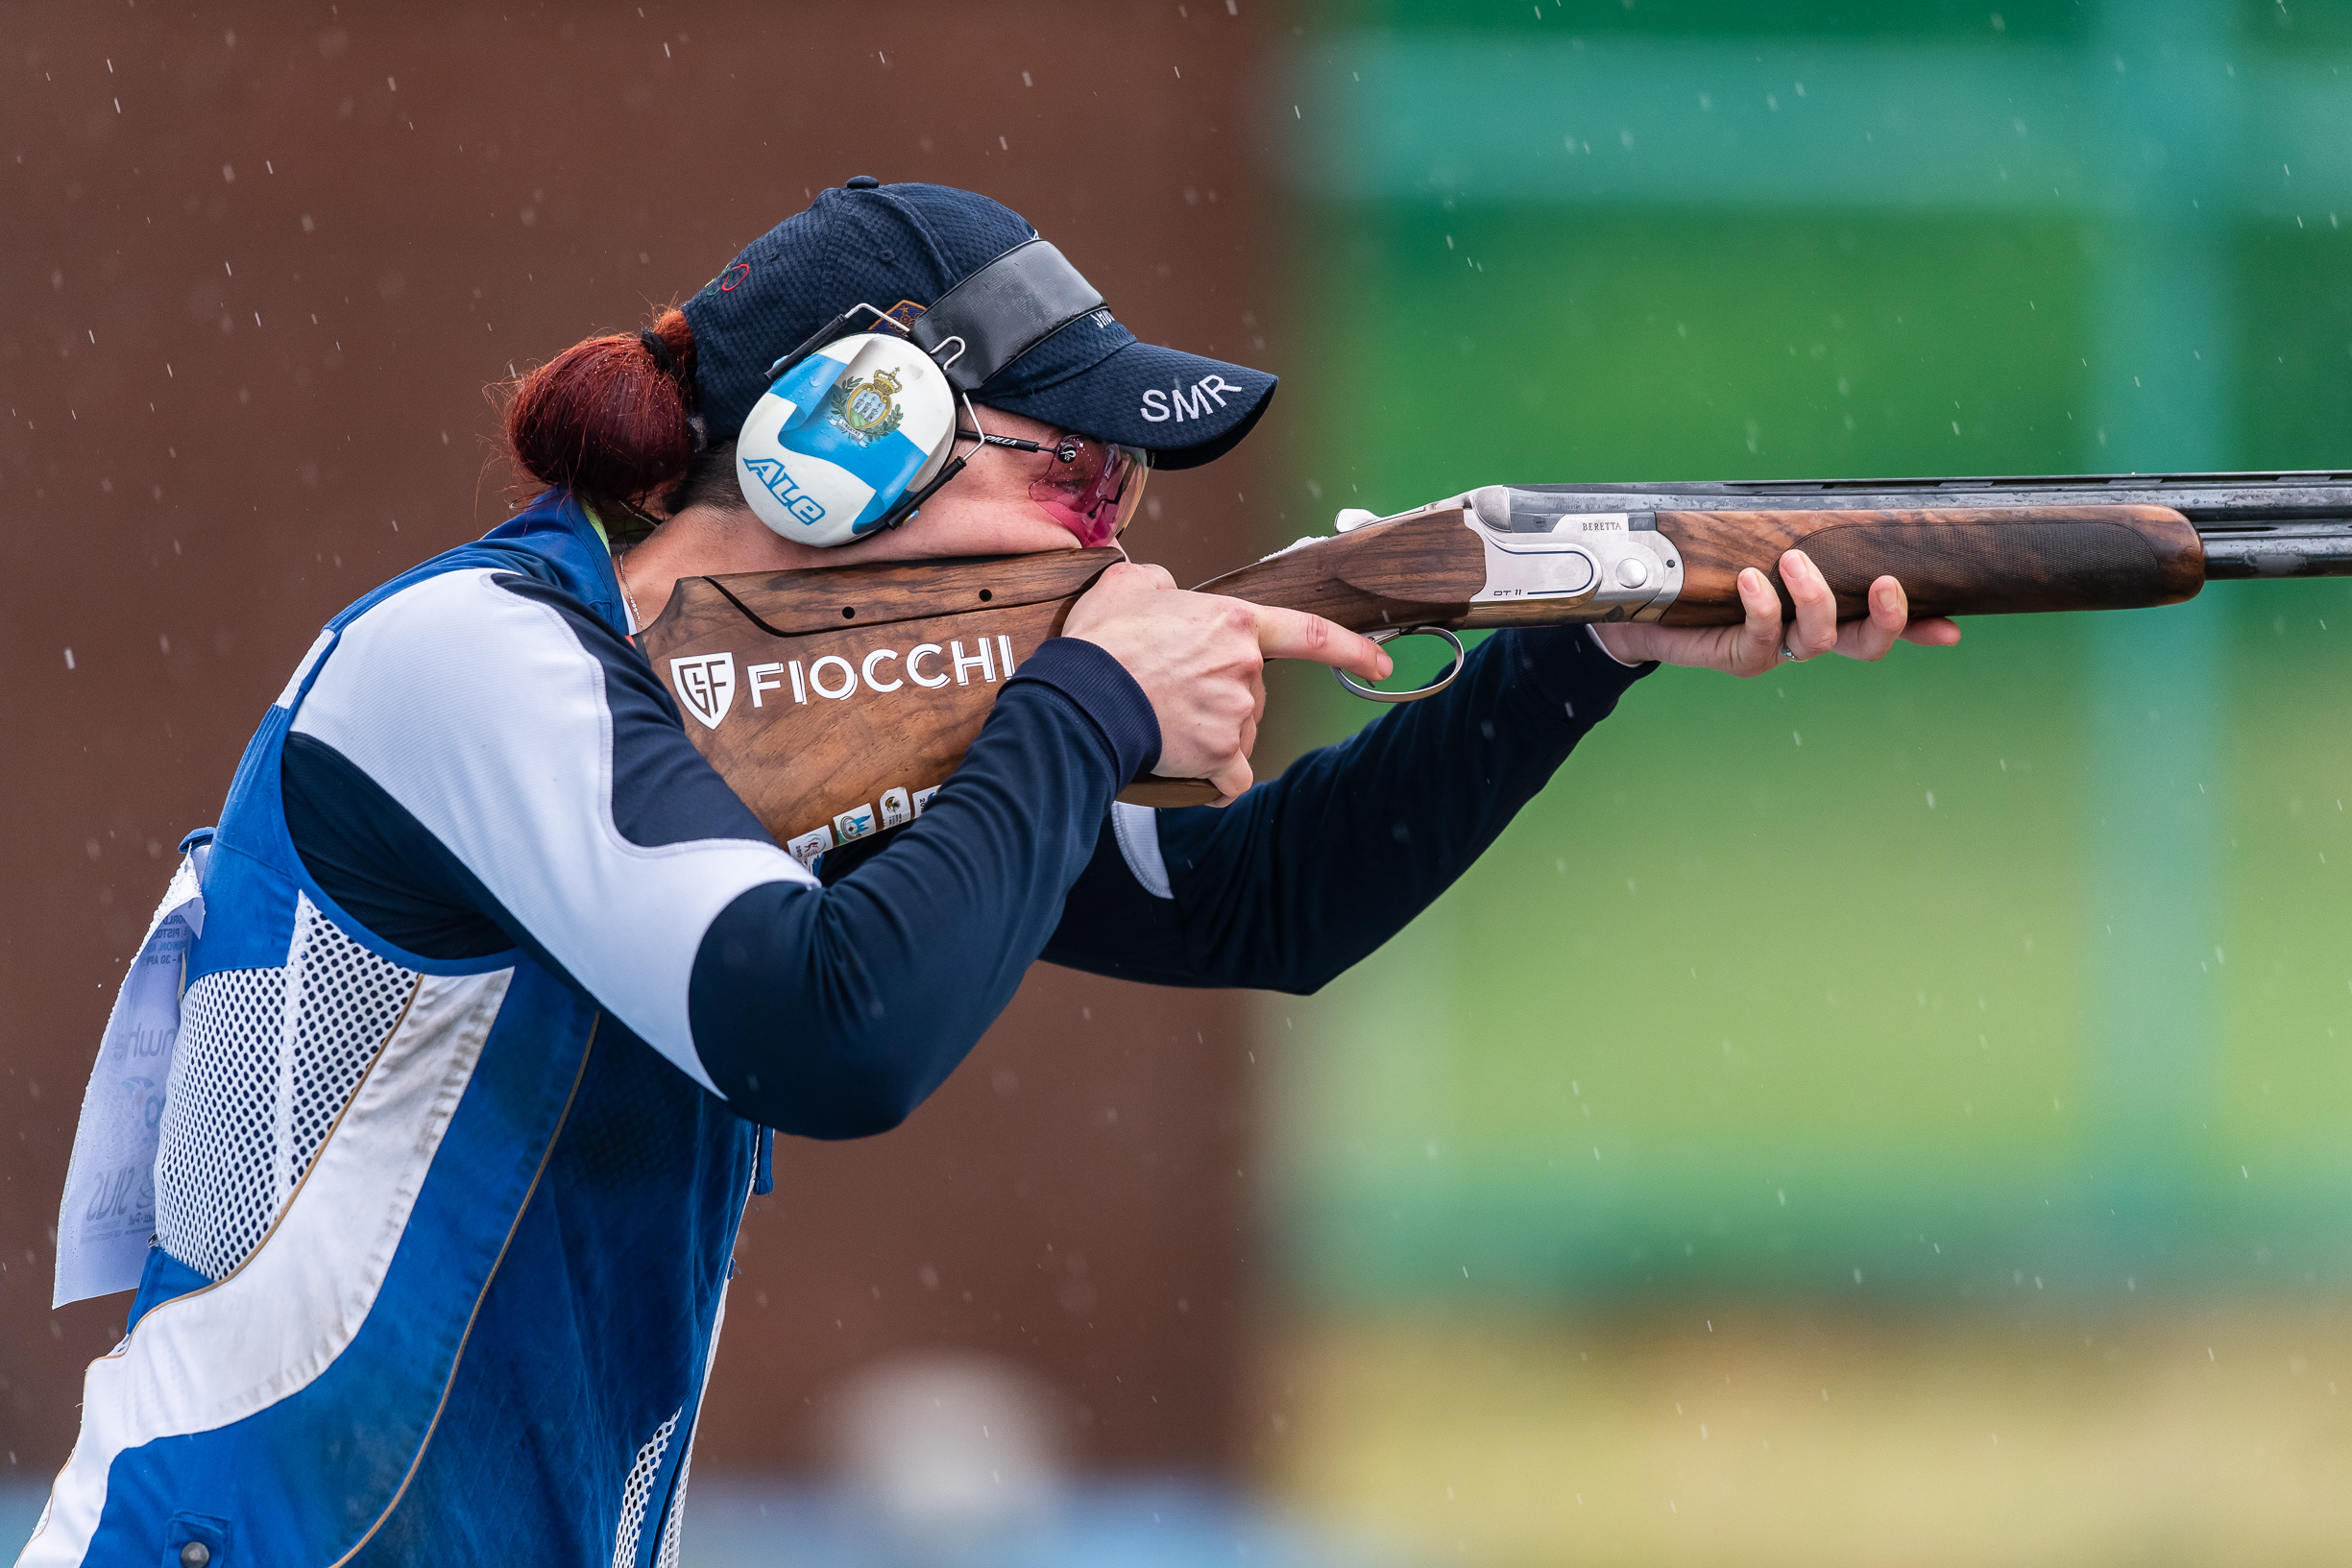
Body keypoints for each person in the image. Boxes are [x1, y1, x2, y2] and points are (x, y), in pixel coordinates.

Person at [24, 179, 1956, 1567]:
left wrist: (1580, 648)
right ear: (826, 453)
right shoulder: (471, 663)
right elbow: (825, 1032)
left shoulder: (776, 733)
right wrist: (1092, 699)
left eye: (1123, 502)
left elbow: (1268, 907)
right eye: (1071, 476)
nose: (1109, 538)